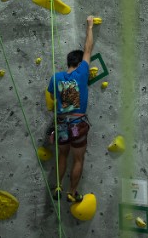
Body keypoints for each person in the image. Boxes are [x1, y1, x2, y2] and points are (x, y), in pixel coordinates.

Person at [47, 15, 97, 202]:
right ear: (78, 63)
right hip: (77, 124)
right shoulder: (82, 72)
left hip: (61, 123)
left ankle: (58, 187)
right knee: (78, 159)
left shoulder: (56, 77)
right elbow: (88, 49)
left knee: (62, 156)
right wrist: (90, 26)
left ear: (68, 62)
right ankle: (72, 192)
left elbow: (52, 97)